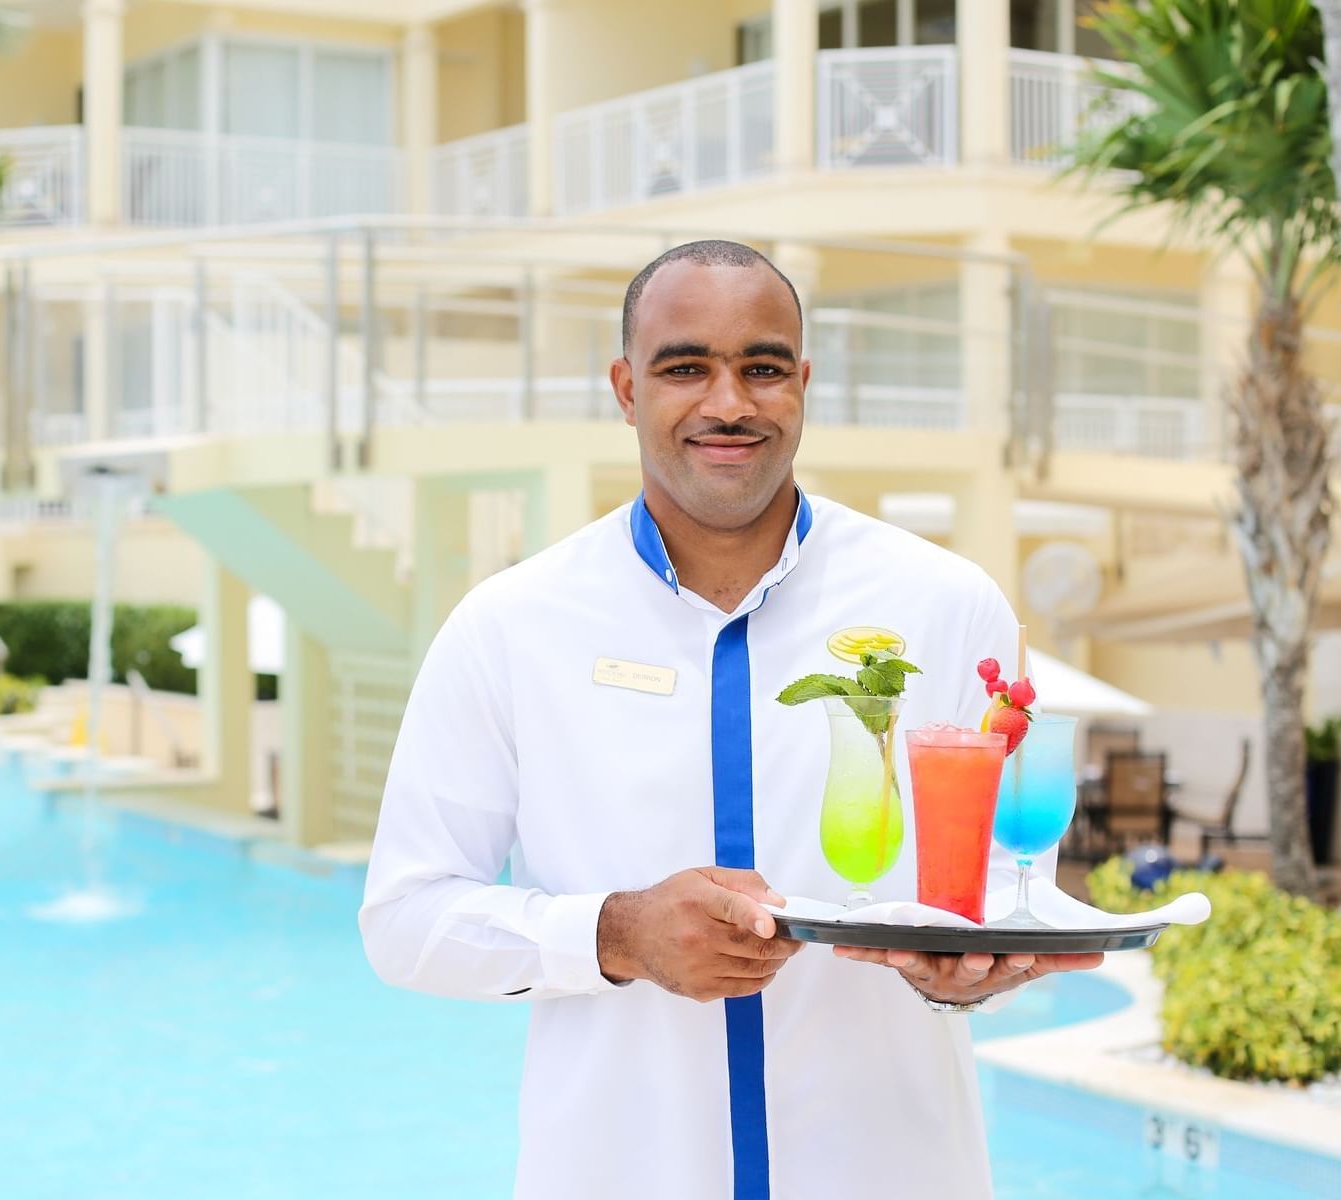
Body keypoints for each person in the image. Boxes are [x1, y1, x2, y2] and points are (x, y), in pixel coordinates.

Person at [359, 240, 1102, 1199]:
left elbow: (1001, 873)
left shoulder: (946, 606)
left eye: (761, 368)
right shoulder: (510, 626)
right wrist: (616, 935)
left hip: (892, 1171)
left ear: (803, 383)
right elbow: (405, 920)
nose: (728, 403)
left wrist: (972, 963)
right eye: (685, 368)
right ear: (627, 389)